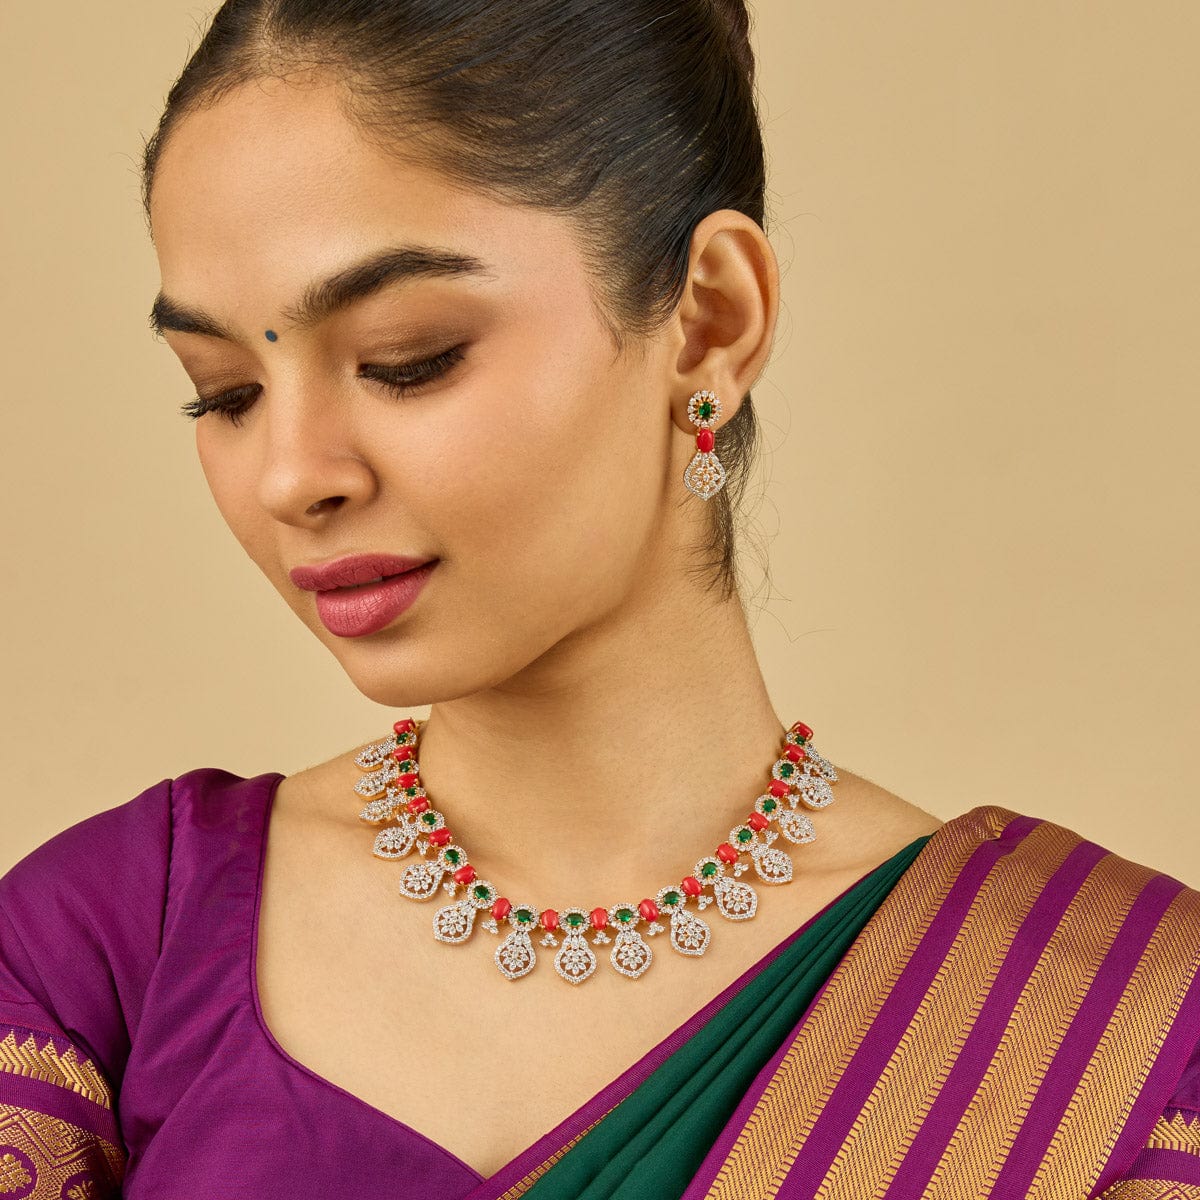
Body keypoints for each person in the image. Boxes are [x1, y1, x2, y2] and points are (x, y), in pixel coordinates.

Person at [1, 1, 1197, 1196]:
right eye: (224, 392)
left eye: (407, 358)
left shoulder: (1110, 1029)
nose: (290, 476)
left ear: (712, 323)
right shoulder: (108, 952)